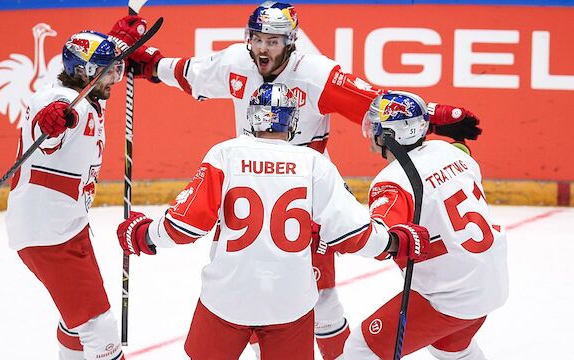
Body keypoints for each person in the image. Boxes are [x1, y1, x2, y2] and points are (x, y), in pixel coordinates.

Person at [108, 3, 482, 358]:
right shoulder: (236, 62)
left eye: (273, 41)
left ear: (290, 42)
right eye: (258, 39)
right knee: (259, 290)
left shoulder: (317, 74)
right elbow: (190, 73)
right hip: (252, 183)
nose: (263, 48)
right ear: (248, 38)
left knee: (322, 299)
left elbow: (376, 102)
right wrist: (146, 62)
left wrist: (430, 114)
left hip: (306, 193)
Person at [116, 83, 430, 359]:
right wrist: (395, 241)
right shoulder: (314, 164)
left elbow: (185, 225)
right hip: (289, 303)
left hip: (227, 297)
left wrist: (143, 234)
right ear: (293, 121)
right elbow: (352, 234)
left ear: (252, 117)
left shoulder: (225, 154)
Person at [342, 91, 508, 359]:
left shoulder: (392, 181)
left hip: (449, 297)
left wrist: (343, 214)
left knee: (361, 349)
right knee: (452, 349)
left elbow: (378, 243)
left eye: (376, 125)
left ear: (390, 135)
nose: (371, 131)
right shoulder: (452, 152)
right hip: (491, 282)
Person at [5, 31, 126, 360]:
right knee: (99, 328)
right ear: (84, 72)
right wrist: (52, 120)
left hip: (66, 226)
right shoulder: (59, 100)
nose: (115, 77)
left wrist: (120, 34)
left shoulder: (88, 98)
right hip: (50, 234)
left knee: (75, 320)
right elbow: (48, 123)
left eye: (117, 68)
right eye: (108, 70)